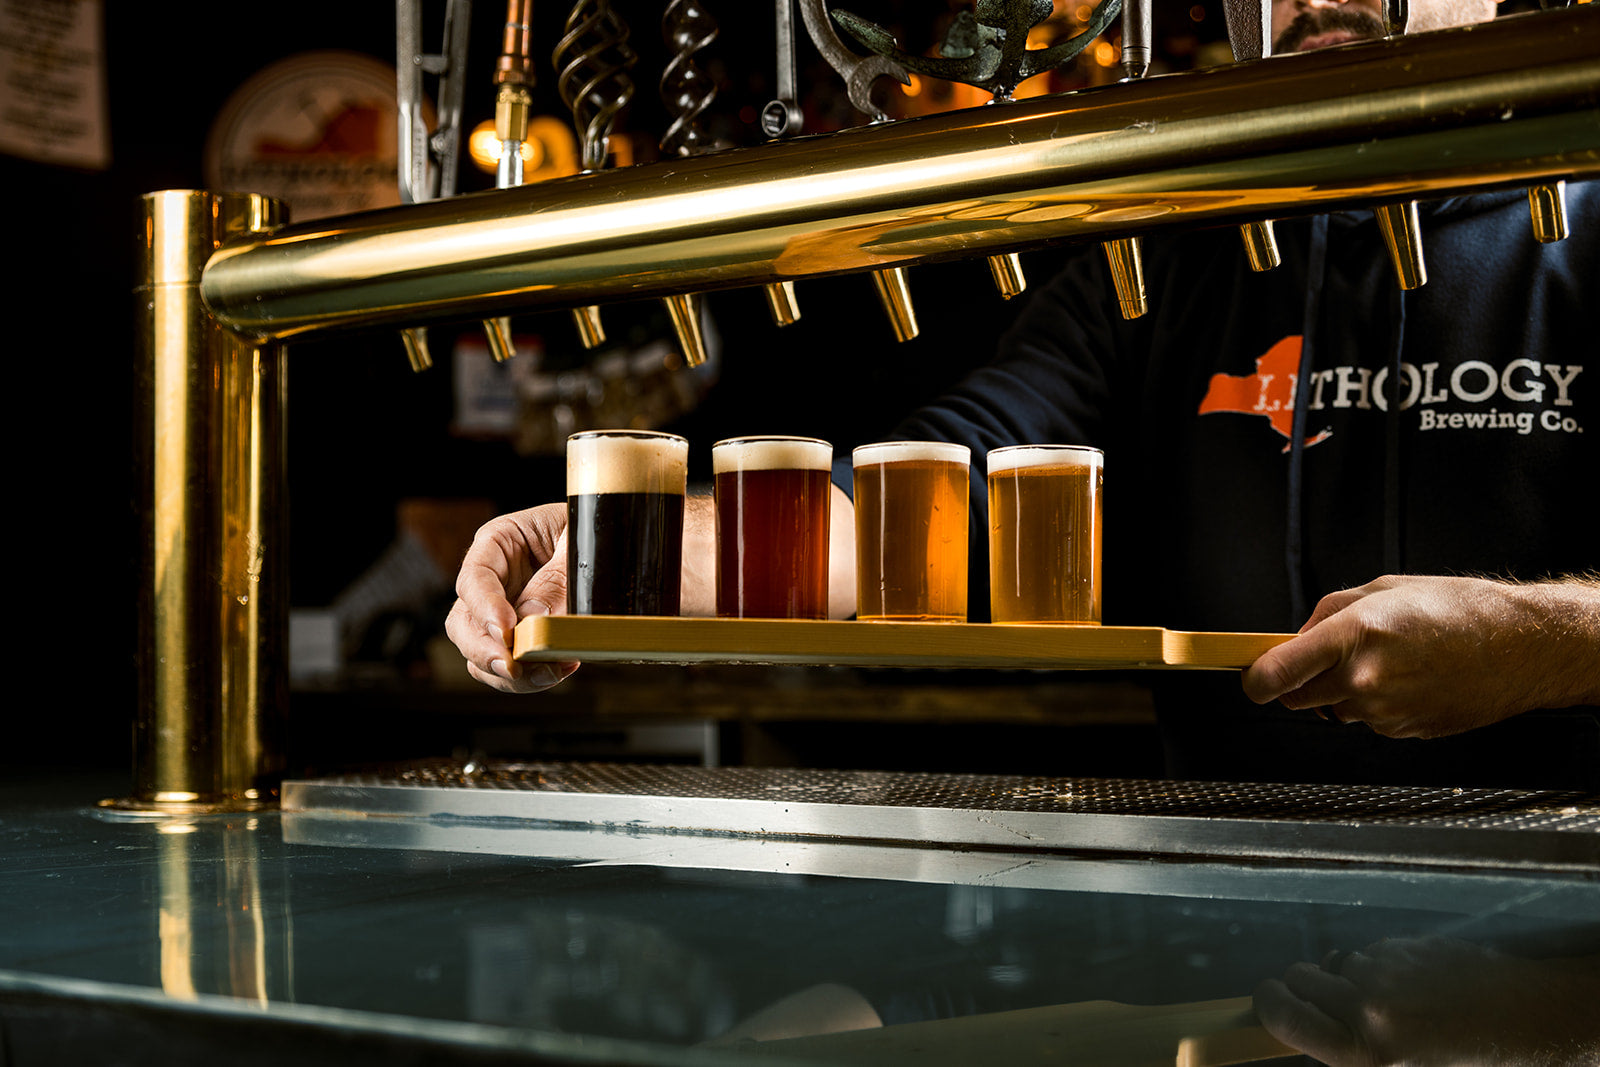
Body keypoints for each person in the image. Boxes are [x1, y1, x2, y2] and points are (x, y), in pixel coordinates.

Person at [446, 0, 1599, 789]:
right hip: (1249, 932)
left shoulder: (1580, 221)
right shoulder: (1171, 255)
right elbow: (939, 484)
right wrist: (636, 546)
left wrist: (1538, 642)